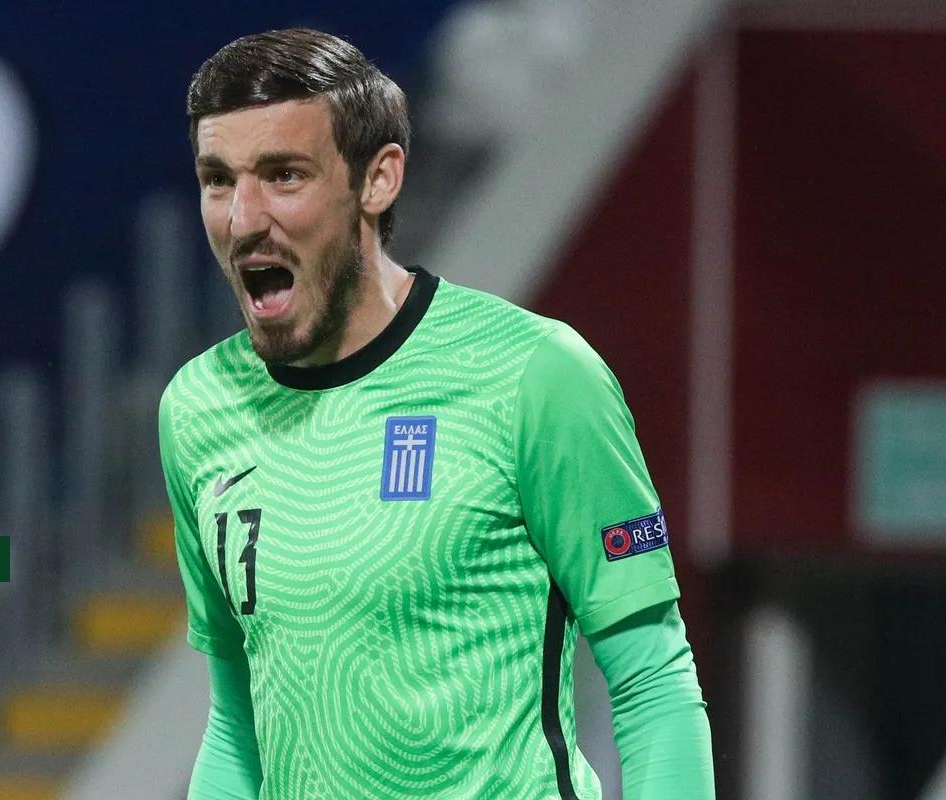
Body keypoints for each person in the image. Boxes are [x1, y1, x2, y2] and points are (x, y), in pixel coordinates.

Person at [159, 27, 714, 800]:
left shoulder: (535, 374)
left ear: (378, 179)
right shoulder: (197, 409)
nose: (242, 218)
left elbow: (653, 681)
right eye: (218, 180)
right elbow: (236, 723)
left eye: (284, 175)